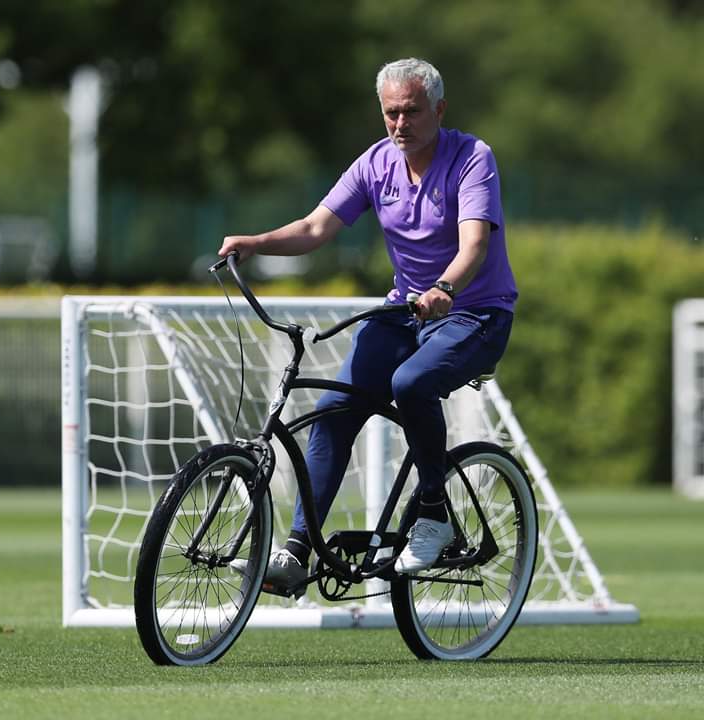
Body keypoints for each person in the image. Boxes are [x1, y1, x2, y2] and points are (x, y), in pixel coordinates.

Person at [218, 57, 517, 596]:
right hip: (405, 311)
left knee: (410, 384)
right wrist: (254, 243)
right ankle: (296, 553)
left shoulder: (472, 158)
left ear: (439, 109)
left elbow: (475, 244)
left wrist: (444, 289)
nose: (400, 124)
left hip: (476, 313)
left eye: (412, 112)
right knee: (333, 411)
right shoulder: (376, 164)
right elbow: (315, 227)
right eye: (391, 114)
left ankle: (433, 512)